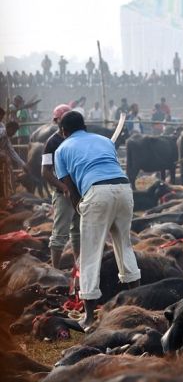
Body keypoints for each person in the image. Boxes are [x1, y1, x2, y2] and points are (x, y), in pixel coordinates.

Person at [54, 111, 140, 329]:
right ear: (84, 126)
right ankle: (137, 304)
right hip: (123, 189)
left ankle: (89, 316)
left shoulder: (62, 149)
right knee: (125, 246)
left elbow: (70, 188)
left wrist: (80, 208)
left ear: (63, 131)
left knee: (91, 253)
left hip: (96, 192)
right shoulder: (103, 140)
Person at [42, 104, 80, 269]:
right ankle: (55, 269)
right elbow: (45, 172)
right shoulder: (52, 142)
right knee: (60, 234)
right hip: (63, 194)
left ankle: (78, 266)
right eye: (61, 120)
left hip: (80, 192)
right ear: (57, 121)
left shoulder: (77, 139)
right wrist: (63, 187)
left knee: (78, 233)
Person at [0, 108, 30, 197]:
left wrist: (23, 164)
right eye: (13, 131)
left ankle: (7, 193)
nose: (14, 134)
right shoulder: (1, 133)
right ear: (8, 128)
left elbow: (11, 151)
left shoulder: (5, 137)